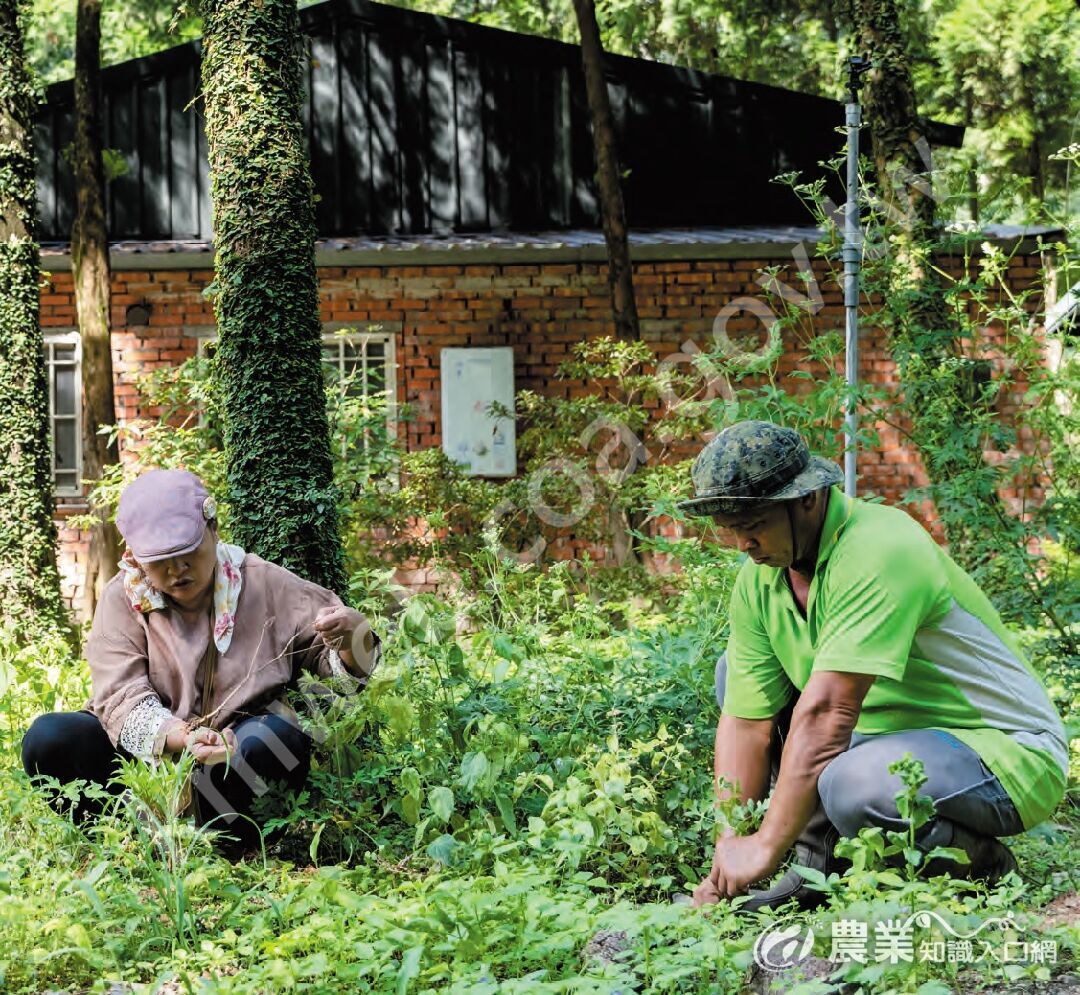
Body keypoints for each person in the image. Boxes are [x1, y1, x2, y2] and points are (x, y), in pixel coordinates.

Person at [679, 421, 1067, 911]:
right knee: (731, 673)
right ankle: (814, 871)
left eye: (753, 525)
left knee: (855, 784)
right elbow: (745, 723)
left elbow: (826, 714)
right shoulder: (760, 582)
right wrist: (730, 850)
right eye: (730, 530)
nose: (742, 545)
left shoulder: (879, 548)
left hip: (1002, 751)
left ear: (807, 500)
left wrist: (764, 847)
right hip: (884, 744)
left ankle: (981, 869)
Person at [21, 468, 380, 852]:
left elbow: (344, 682)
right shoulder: (121, 599)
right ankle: (130, 841)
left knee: (278, 740)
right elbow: (120, 698)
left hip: (232, 764)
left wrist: (354, 637)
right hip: (144, 770)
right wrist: (184, 736)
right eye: (161, 560)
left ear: (214, 528)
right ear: (136, 558)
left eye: (187, 552)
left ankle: (225, 846)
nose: (177, 569)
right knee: (50, 739)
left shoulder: (265, 584)